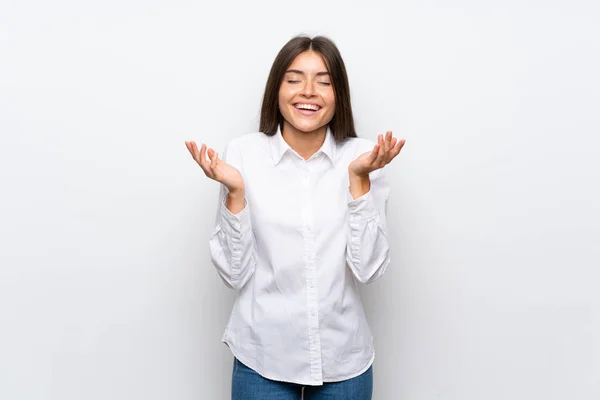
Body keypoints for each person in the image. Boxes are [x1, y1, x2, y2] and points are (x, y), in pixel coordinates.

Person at [185, 35, 405, 400]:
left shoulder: (364, 157)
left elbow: (368, 270)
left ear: (340, 94)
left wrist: (359, 181)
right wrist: (236, 194)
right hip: (262, 356)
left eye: (324, 81)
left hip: (343, 359)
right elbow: (234, 274)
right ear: (277, 89)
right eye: (294, 79)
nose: (309, 92)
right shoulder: (242, 154)